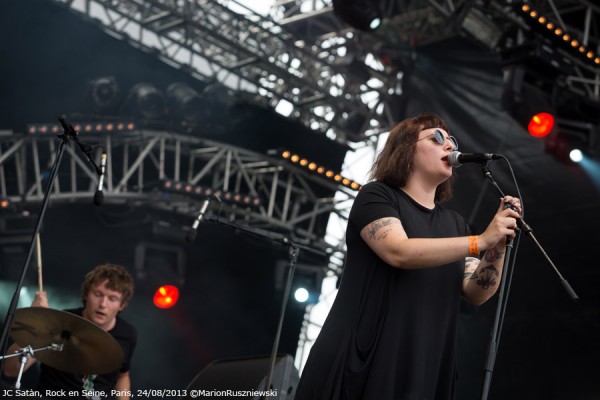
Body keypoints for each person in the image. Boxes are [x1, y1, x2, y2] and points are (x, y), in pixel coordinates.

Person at [294, 113, 522, 400]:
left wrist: (498, 244)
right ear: (405, 150)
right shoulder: (376, 196)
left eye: (450, 139)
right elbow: (397, 251)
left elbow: (476, 291)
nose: (449, 145)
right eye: (436, 138)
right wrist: (481, 241)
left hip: (423, 368)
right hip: (366, 356)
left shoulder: (455, 225)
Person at [2, 263, 137, 400]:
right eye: (98, 294)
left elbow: (123, 375)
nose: (103, 304)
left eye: (112, 298)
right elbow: (10, 370)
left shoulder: (127, 334)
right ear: (86, 294)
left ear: (122, 305)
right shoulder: (59, 323)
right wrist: (38, 324)